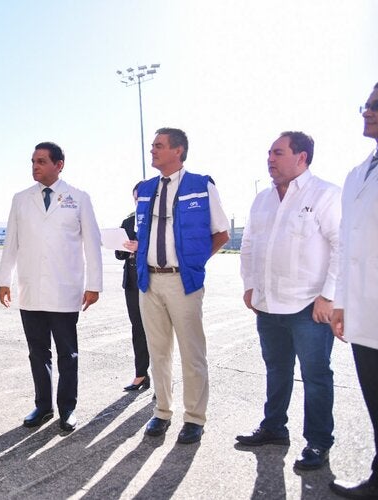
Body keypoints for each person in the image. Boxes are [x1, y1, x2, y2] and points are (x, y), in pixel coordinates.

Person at [236, 131, 341, 471]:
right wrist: (250, 284)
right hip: (268, 306)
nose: (270, 159)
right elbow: (249, 244)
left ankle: (318, 442)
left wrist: (329, 296)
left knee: (315, 375)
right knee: (276, 369)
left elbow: (343, 245)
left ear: (301, 158)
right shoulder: (262, 200)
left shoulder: (325, 194)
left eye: (278, 153)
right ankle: (274, 428)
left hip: (308, 307)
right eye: (268, 153)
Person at [124, 127, 229, 444]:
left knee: (192, 353)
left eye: (159, 145)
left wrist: (194, 263)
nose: (152, 150)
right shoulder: (144, 189)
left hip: (184, 281)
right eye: (152, 145)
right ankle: (162, 412)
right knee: (158, 352)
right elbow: (145, 234)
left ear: (178, 151)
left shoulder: (201, 185)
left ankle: (194, 418)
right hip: (149, 280)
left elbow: (221, 233)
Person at [0, 141, 103, 433]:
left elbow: (93, 244)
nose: (35, 166)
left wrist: (94, 285)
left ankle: (67, 409)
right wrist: (4, 280)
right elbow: (11, 243)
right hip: (31, 289)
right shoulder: (21, 199)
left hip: (64, 289)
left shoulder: (78, 198)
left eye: (41, 161)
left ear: (59, 165)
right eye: (33, 161)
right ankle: (43, 406)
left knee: (67, 354)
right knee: (37, 352)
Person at [329, 83, 378, 498]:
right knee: (377, 403)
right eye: (366, 104)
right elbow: (346, 244)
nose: (368, 112)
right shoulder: (355, 174)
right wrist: (341, 304)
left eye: (377, 106)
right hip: (366, 311)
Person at [114, 182, 150, 392]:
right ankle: (140, 374)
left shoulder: (156, 222)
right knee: (138, 328)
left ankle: (163, 381)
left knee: (158, 331)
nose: (139, 202)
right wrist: (126, 250)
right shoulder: (128, 222)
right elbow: (118, 254)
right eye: (136, 198)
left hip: (153, 281)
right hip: (132, 283)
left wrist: (141, 248)